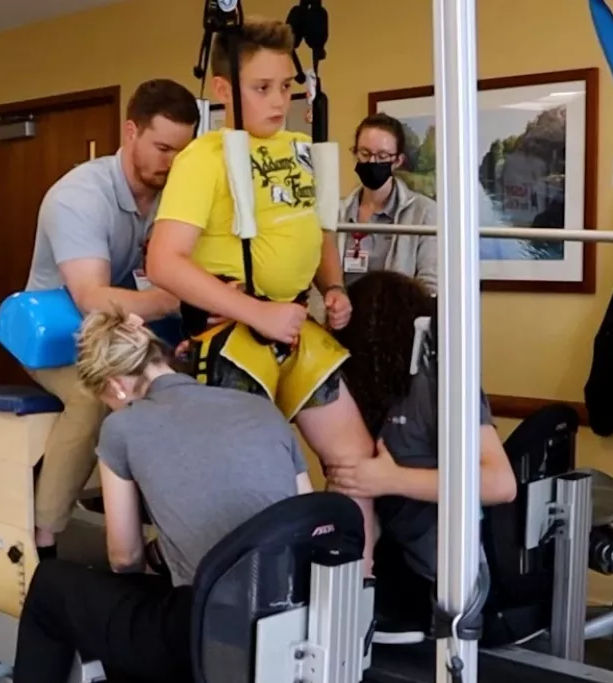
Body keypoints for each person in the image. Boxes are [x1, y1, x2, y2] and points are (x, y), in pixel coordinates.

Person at [0, 308, 314, 683]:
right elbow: (305, 518)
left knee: (51, 585)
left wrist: (152, 558)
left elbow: (124, 557)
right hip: (298, 626)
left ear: (114, 385)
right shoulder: (261, 409)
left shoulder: (122, 426)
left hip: (210, 639)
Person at [144, 17, 377, 572]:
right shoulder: (204, 158)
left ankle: (354, 599)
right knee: (249, 484)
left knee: (356, 464)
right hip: (234, 332)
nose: (279, 102)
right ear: (223, 90)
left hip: (295, 326)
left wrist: (334, 286)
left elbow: (318, 231)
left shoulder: (301, 149)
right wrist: (258, 313)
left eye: (286, 88)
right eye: (262, 88)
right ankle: (247, 615)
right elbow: (163, 261)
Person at [22, 79, 200, 560]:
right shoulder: (77, 195)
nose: (171, 163)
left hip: (133, 333)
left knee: (184, 390)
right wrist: (174, 299)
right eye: (162, 147)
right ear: (130, 132)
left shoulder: (177, 195)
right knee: (91, 396)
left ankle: (168, 533)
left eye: (182, 153)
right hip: (61, 336)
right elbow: (93, 300)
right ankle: (43, 539)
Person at [327, 271, 516, 636]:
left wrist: (392, 480)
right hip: (393, 552)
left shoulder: (441, 384)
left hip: (439, 574)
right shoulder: (356, 390)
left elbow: (500, 484)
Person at [335, 114, 438, 292]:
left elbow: (430, 285)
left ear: (397, 161)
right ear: (355, 153)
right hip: (342, 318)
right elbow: (321, 278)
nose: (372, 162)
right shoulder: (337, 212)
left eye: (382, 156)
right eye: (365, 154)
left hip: (398, 317)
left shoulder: (423, 212)